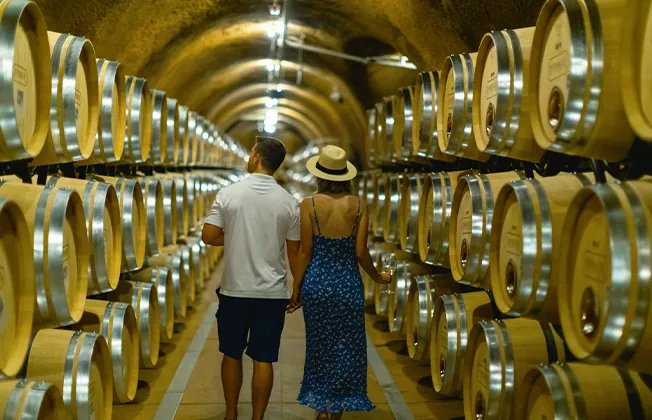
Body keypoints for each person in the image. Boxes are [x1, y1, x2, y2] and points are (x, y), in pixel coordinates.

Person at [286, 145, 391, 419]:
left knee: (320, 347)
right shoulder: (358, 205)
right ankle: (338, 407)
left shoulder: (308, 204)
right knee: (348, 346)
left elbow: (305, 251)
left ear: (320, 174)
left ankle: (323, 404)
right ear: (346, 175)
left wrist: (296, 287)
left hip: (317, 285)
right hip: (347, 284)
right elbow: (360, 252)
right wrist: (378, 277)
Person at [202, 136, 301, 420]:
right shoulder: (289, 202)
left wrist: (233, 237)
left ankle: (231, 414)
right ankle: (258, 418)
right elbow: (294, 251)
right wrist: (297, 289)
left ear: (257, 156)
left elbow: (208, 236)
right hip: (272, 293)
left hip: (236, 290)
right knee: (264, 358)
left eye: (250, 152)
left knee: (231, 354)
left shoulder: (229, 193)